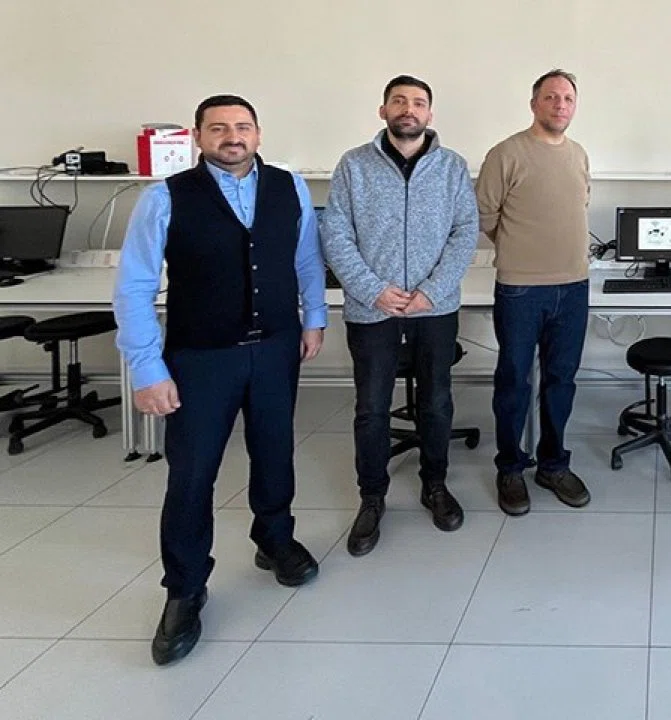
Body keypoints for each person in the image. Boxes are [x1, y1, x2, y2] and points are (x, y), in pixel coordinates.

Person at [113, 95, 326, 666]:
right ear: (199, 137)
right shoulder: (165, 197)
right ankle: (185, 588)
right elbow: (133, 287)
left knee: (275, 451)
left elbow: (305, 260)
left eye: (243, 126)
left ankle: (274, 539)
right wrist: (147, 368)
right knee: (192, 474)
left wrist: (314, 318)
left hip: (276, 348)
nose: (233, 136)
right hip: (202, 357)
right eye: (219, 128)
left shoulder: (290, 187)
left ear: (258, 133)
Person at [322, 75, 478, 556]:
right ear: (383, 110)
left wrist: (432, 291)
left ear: (430, 114)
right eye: (399, 101)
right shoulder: (353, 166)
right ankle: (372, 497)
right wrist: (373, 290)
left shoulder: (452, 167)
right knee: (371, 408)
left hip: (434, 308)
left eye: (419, 102)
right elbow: (335, 234)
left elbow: (465, 232)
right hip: (373, 309)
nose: (409, 109)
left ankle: (435, 485)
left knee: (437, 402)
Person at [474, 69, 591, 516]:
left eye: (568, 98)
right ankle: (510, 468)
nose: (560, 105)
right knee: (514, 381)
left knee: (562, 381)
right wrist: (519, 247)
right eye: (551, 97)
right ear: (534, 104)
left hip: (573, 287)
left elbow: (579, 204)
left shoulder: (578, 154)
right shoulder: (506, 154)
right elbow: (485, 215)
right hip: (521, 288)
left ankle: (553, 464)